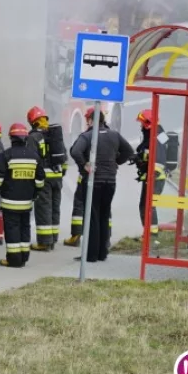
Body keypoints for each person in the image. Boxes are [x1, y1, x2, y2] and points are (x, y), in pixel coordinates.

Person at [69, 106, 134, 263]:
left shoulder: (88, 136)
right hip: (110, 182)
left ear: (91, 120)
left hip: (93, 182)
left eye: (87, 120)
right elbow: (129, 151)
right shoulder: (114, 135)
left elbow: (75, 151)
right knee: (104, 216)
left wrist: (84, 164)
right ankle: (102, 253)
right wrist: (116, 161)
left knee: (92, 218)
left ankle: (90, 255)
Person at [0, 123, 46, 268]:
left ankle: (14, 260)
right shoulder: (34, 156)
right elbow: (40, 179)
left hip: (10, 202)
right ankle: (24, 256)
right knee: (25, 228)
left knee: (12, 229)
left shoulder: (6, 155)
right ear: (25, 138)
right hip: (27, 202)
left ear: (12, 138)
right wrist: (35, 192)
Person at [26, 106, 66, 251]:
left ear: (32, 121)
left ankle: (44, 242)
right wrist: (61, 174)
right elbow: (64, 157)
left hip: (44, 178)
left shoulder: (33, 137)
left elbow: (31, 159)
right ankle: (53, 239)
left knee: (44, 209)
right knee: (55, 208)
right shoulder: (55, 135)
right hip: (57, 177)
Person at [134, 108, 168, 242]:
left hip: (155, 177)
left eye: (142, 123)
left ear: (148, 123)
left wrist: (141, 157)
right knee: (145, 204)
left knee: (148, 205)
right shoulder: (158, 133)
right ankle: (148, 233)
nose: (141, 125)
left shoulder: (156, 136)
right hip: (153, 176)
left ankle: (152, 235)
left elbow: (156, 155)